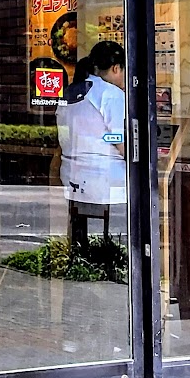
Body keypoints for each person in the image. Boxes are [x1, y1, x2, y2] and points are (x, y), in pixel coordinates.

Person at [56, 41, 127, 246]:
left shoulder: (70, 92)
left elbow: (65, 137)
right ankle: (115, 256)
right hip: (105, 180)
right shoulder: (111, 95)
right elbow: (120, 141)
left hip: (71, 175)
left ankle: (83, 253)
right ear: (116, 68)